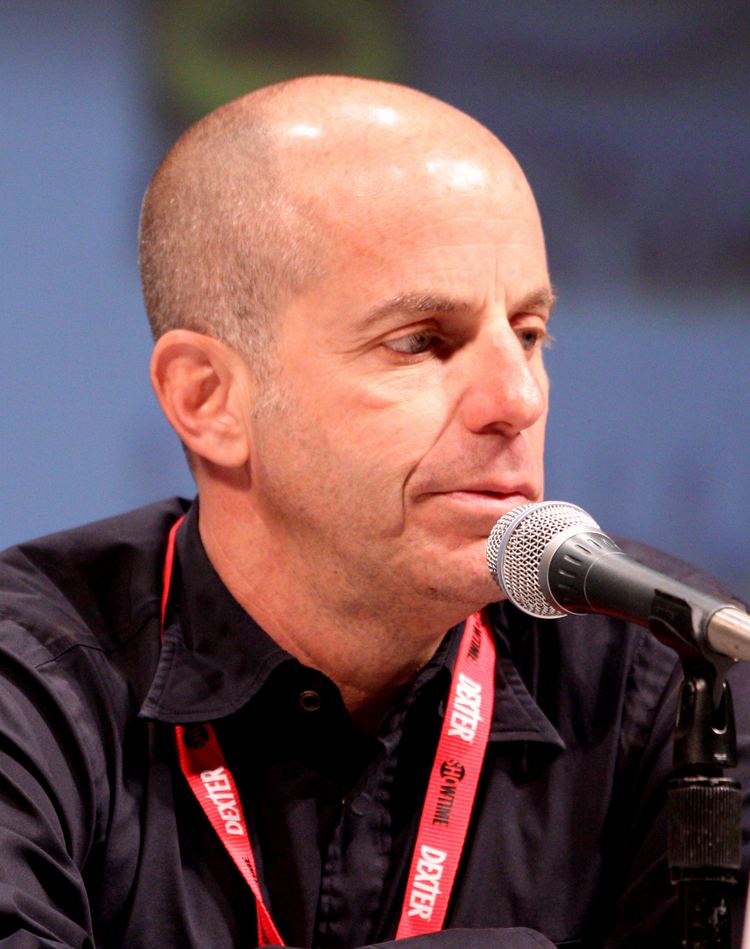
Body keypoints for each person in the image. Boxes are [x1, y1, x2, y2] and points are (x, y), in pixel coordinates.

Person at [0, 75, 747, 948]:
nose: (516, 397)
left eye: (531, 333)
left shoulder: (673, 669)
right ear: (209, 399)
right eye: (422, 340)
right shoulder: (34, 678)